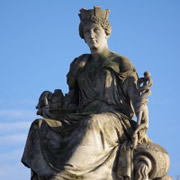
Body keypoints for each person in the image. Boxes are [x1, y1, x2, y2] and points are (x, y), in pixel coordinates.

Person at [22, 6, 170, 180]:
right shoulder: (80, 64)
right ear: (82, 36)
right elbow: (72, 101)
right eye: (86, 32)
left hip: (113, 119)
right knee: (39, 126)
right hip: (80, 116)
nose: (91, 35)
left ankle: (67, 173)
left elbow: (135, 96)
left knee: (93, 122)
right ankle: (45, 173)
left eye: (95, 30)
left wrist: (142, 110)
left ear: (106, 32)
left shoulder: (120, 62)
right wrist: (52, 107)